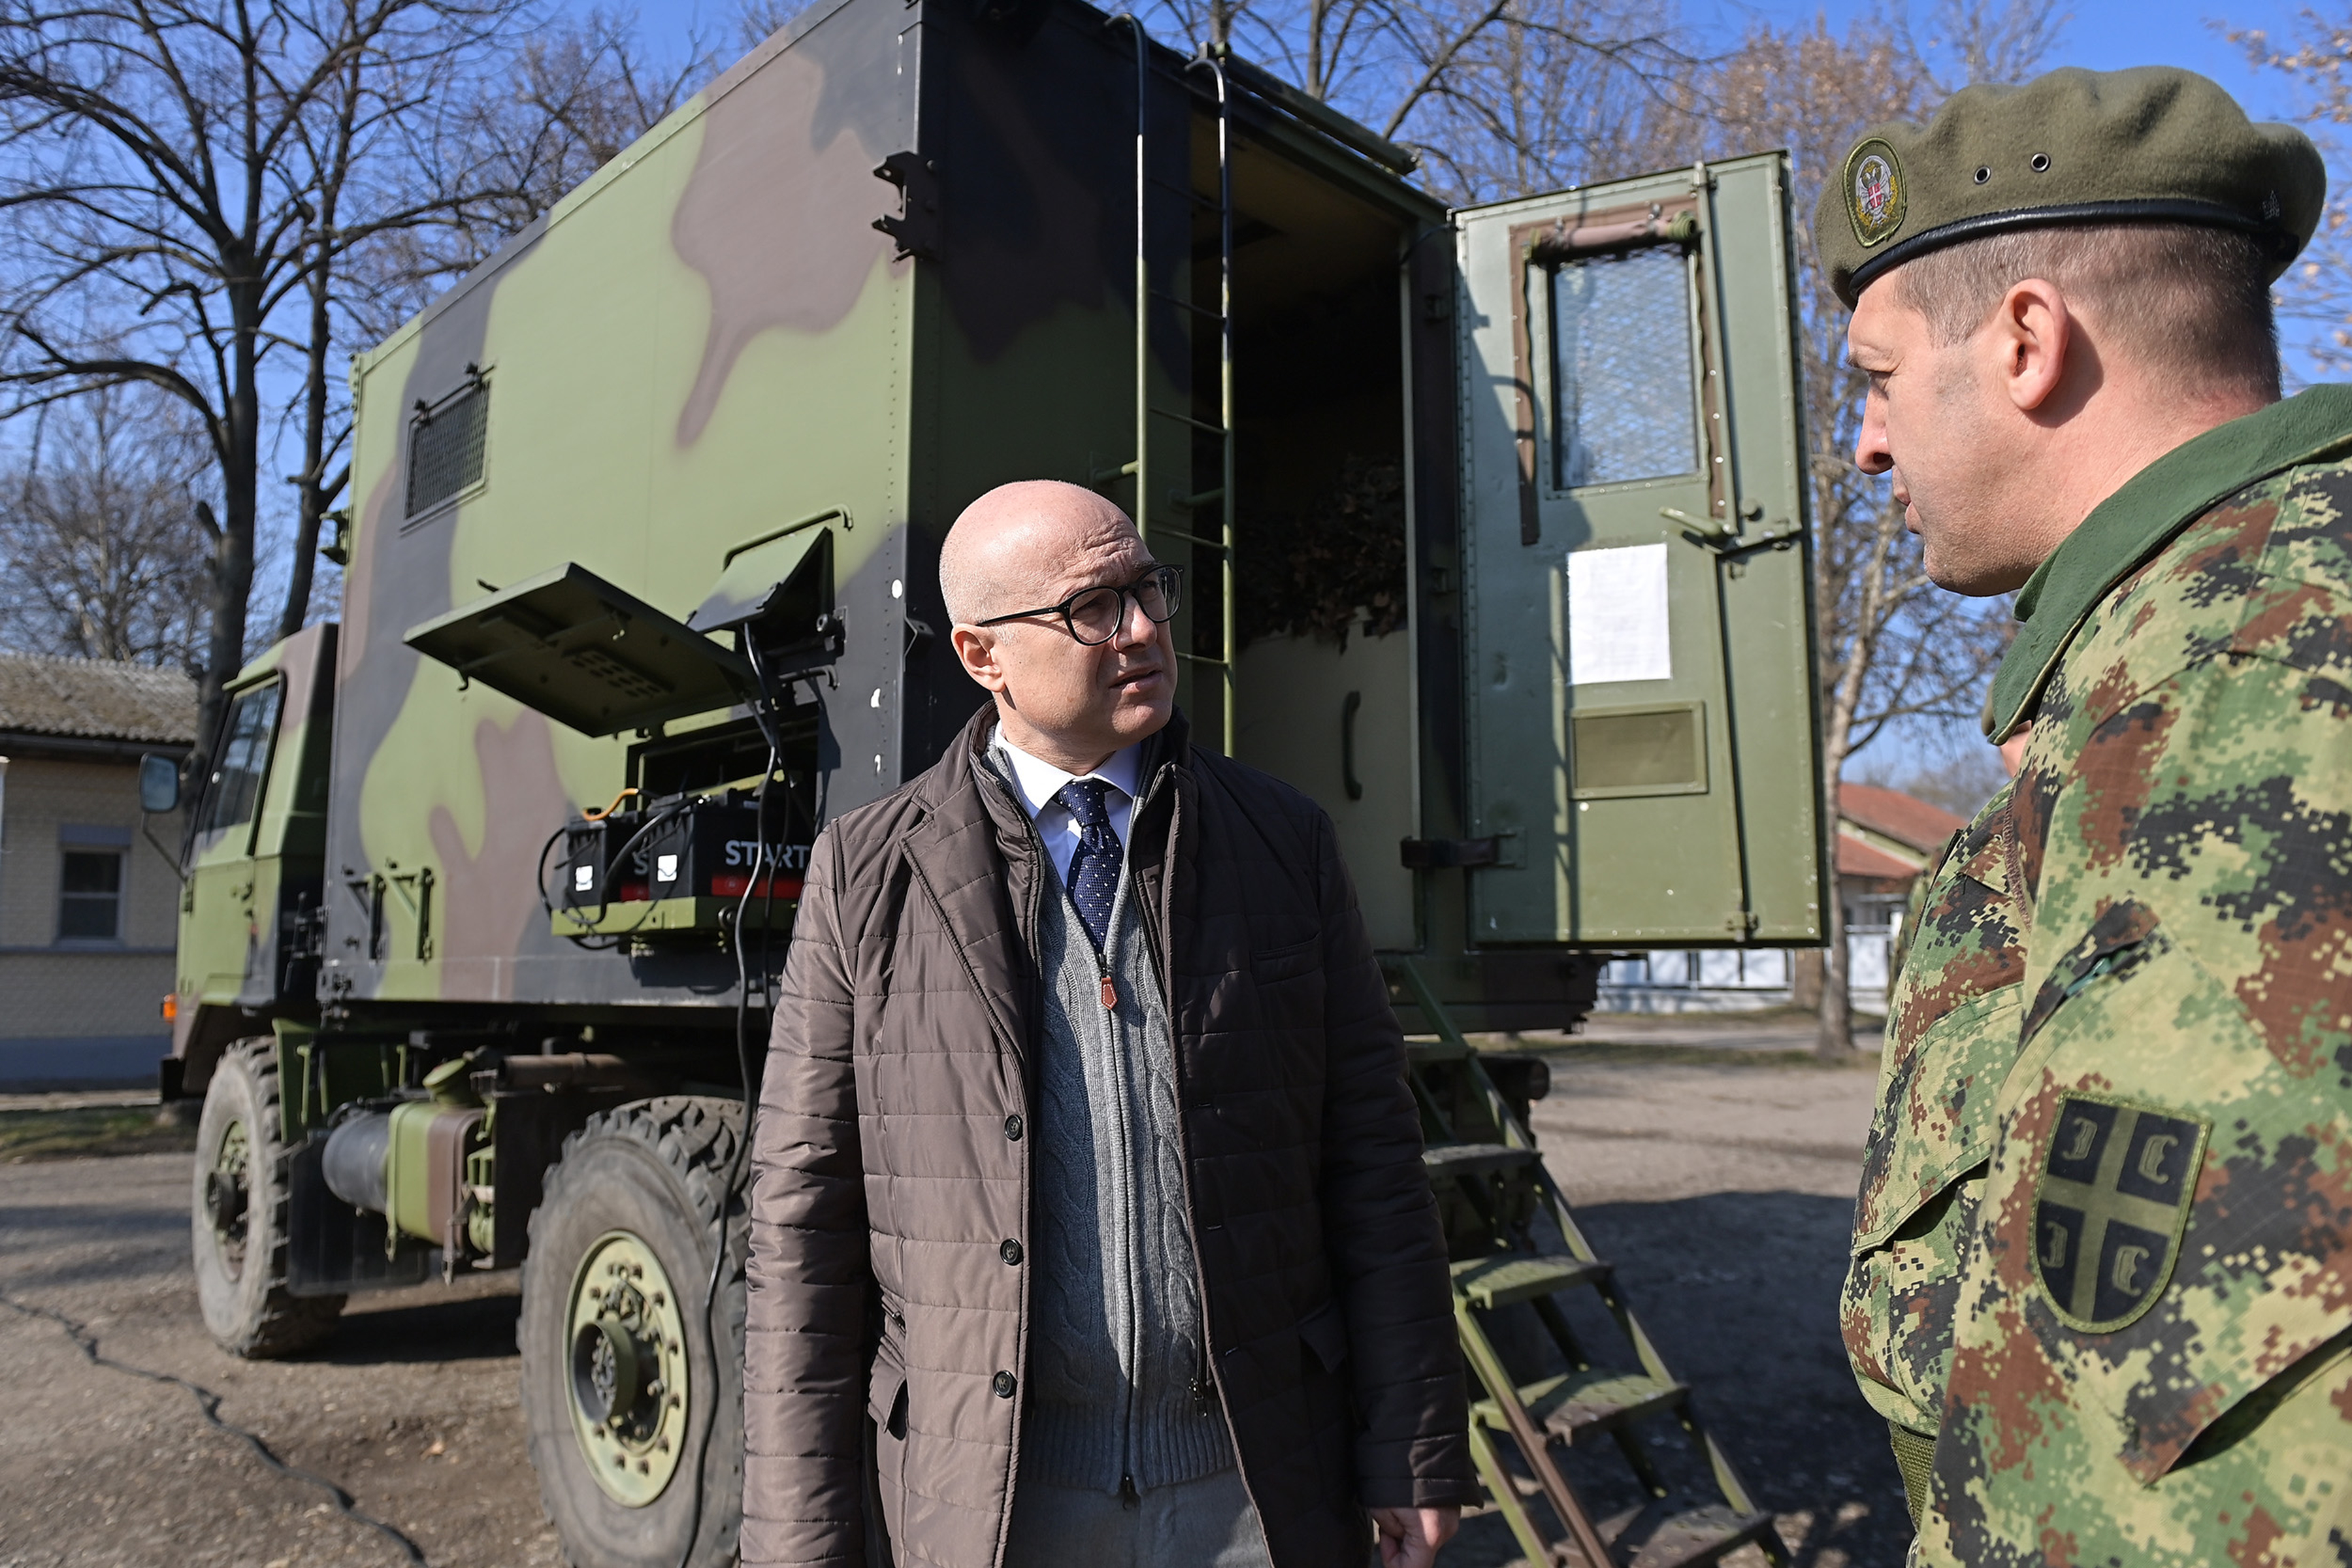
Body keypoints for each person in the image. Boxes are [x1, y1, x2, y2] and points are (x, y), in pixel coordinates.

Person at [1818, 66, 2352, 1566]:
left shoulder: (2252, 689)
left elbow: (2148, 1465)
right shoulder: (2165, 670)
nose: (1864, 446)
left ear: (2029, 343)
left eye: (1876, 376)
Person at [741, 480, 1476, 1568]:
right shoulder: (868, 873)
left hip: (1255, 1488)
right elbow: (803, 1223)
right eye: (1093, 606)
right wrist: (800, 1539)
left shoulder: (1284, 843)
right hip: (992, 1505)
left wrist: (1415, 1448)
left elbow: (1374, 1164)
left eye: (1147, 589)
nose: (1141, 628)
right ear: (982, 655)